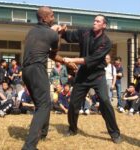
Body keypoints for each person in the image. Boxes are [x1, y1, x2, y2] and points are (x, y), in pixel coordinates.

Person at [56, 14, 121, 143]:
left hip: (98, 75)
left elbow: (90, 60)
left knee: (105, 102)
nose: (94, 23)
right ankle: (72, 129)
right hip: (83, 75)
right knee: (74, 103)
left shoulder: (106, 42)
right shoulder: (85, 32)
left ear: (104, 25)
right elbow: (70, 36)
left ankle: (115, 134)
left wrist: (72, 60)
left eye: (98, 21)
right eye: (94, 20)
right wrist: (62, 32)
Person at [22, 6, 77, 150]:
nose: (54, 18)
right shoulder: (51, 34)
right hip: (37, 69)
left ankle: (43, 133)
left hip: (26, 70)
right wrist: (59, 33)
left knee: (44, 102)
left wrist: (66, 61)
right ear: (44, 18)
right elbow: (54, 52)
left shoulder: (31, 31)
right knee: (44, 105)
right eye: (52, 16)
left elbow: (49, 53)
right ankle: (29, 146)